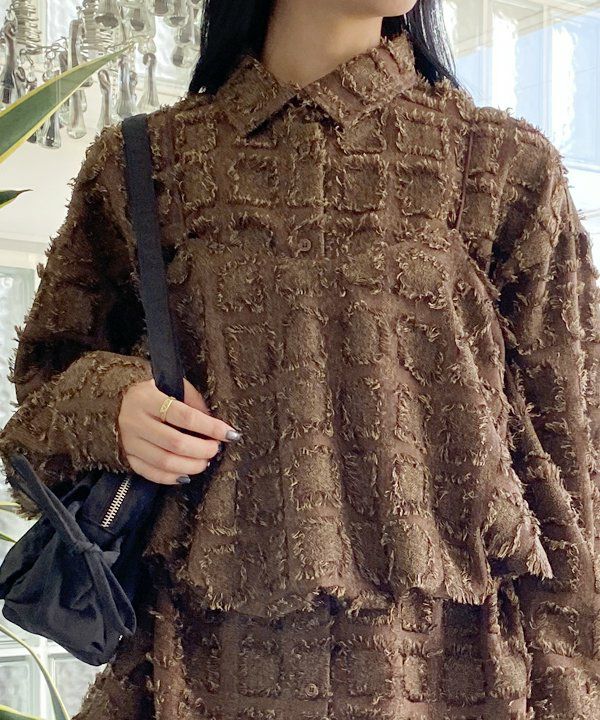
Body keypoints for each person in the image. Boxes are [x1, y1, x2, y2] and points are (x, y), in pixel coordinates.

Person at [1, 0, 599, 717]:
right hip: (197, 668)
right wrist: (113, 406)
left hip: (456, 673)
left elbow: (574, 463)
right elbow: (41, 399)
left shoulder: (504, 166)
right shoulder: (147, 160)